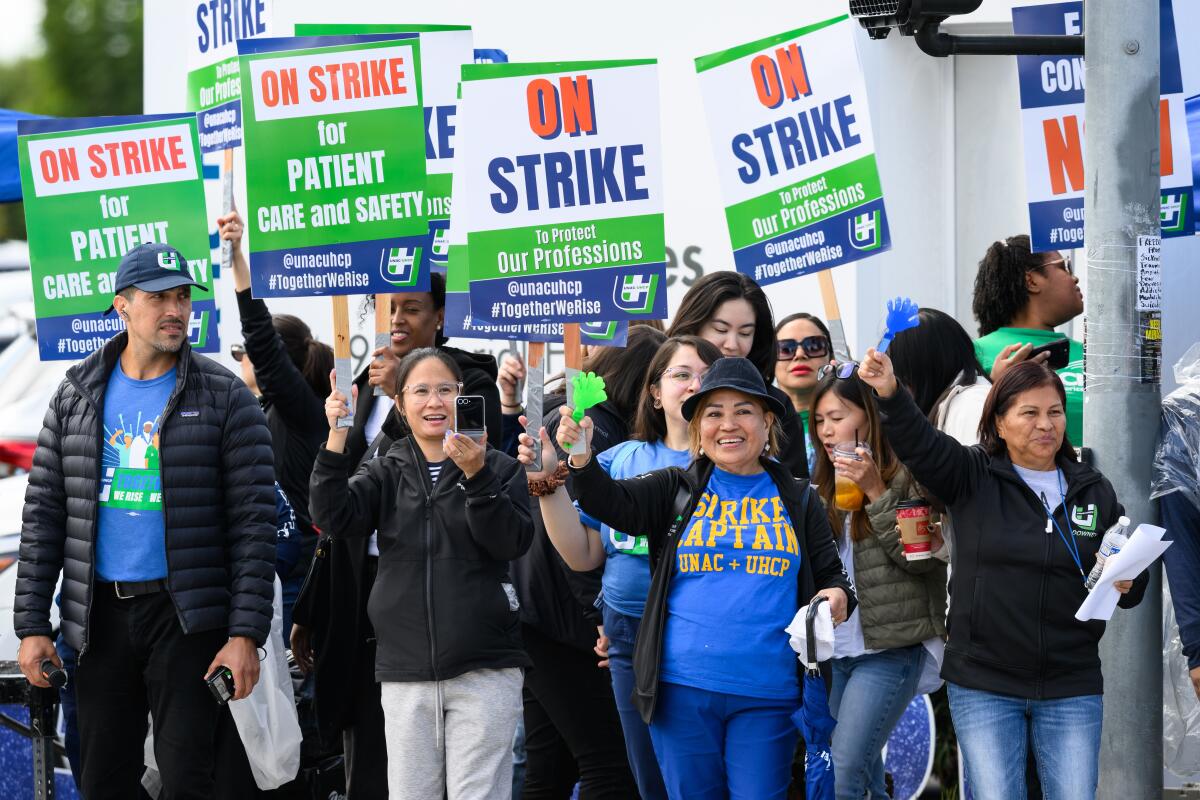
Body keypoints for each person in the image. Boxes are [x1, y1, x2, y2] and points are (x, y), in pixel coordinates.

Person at [521, 357, 855, 800]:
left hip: (768, 693)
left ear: (767, 420)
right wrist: (580, 456)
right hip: (680, 690)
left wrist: (832, 599)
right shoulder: (674, 487)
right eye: (713, 413)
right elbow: (610, 502)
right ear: (697, 427)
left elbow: (836, 581)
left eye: (743, 410)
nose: (728, 424)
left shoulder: (799, 498)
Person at [16, 242, 276, 799]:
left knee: (188, 779)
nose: (176, 310)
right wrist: (33, 624)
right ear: (122, 307)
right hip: (98, 619)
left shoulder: (226, 395)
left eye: (182, 297)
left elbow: (255, 524)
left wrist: (245, 634)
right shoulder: (76, 394)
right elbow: (43, 516)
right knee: (104, 779)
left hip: (187, 619)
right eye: (159, 298)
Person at [858, 350, 1147, 800]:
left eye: (1054, 412)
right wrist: (891, 393)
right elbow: (920, 444)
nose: (1045, 424)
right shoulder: (972, 475)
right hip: (984, 681)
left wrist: (1130, 579)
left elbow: (1128, 584)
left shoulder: (1093, 488)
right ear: (998, 423)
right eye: (1028, 413)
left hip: (1071, 683)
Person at [290, 272, 501, 798]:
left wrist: (404, 396)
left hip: (447, 594)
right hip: (365, 586)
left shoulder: (471, 383)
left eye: (411, 308)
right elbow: (346, 499)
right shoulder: (364, 384)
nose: (398, 321)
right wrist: (315, 607)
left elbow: (468, 467)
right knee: (371, 753)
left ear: (440, 318)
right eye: (388, 309)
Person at [310, 348, 532, 800]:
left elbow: (510, 542)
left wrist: (477, 477)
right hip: (404, 668)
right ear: (400, 402)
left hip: (484, 667)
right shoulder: (384, 468)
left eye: (446, 390)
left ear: (463, 396)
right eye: (421, 391)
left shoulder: (500, 469)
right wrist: (336, 437)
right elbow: (334, 515)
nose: (434, 402)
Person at [529, 334, 722, 800]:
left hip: (706, 640)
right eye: (681, 374)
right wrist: (548, 482)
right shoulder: (617, 460)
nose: (694, 384)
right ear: (655, 392)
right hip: (627, 639)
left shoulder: (735, 465)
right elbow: (582, 554)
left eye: (706, 376)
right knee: (647, 783)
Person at [510, 326, 665, 800]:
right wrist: (598, 615)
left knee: (549, 767)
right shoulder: (595, 430)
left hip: (533, 611)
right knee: (608, 766)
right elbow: (583, 536)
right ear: (643, 384)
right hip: (568, 623)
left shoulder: (568, 414)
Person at [809, 366, 946, 799]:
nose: (828, 431)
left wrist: (875, 491)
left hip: (889, 647)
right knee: (862, 771)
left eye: (838, 417)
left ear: (868, 416)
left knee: (846, 767)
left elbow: (921, 561)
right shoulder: (820, 485)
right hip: (837, 647)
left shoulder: (905, 474)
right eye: (820, 421)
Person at [220, 210, 331, 635]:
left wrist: (238, 263)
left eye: (241, 350)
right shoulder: (263, 412)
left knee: (297, 694)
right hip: (261, 573)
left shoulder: (303, 414)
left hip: (295, 577)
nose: (241, 359)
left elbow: (263, 347)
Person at [667, 270, 809, 479]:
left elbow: (797, 487)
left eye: (745, 333)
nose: (732, 345)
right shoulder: (665, 389)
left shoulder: (776, 404)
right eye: (720, 329)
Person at [887, 308, 990, 560]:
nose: (902, 388)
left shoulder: (971, 406)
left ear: (920, 369)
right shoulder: (956, 401)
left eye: (899, 376)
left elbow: (983, 510)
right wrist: (942, 545)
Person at [971, 235, 1084, 445]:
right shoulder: (974, 353)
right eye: (1064, 267)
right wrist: (994, 386)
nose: (1074, 278)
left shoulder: (1093, 354)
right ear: (1031, 281)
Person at [774, 313, 834, 474]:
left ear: (831, 356)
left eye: (814, 346)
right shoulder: (755, 424)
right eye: (786, 348)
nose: (800, 354)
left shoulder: (857, 419)